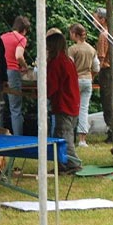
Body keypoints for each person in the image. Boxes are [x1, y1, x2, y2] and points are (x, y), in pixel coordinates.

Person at [46, 32, 83, 172]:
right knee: (61, 135)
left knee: (64, 136)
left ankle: (73, 163)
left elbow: (52, 85)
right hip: (72, 102)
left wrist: (42, 94)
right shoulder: (68, 61)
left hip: (64, 104)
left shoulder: (56, 63)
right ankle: (61, 165)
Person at [94, 7, 113, 143]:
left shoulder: (103, 35)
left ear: (102, 19)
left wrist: (93, 74)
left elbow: (100, 58)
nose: (94, 21)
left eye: (95, 18)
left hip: (107, 72)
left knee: (108, 103)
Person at [68, 23, 99, 147]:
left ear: (75, 34)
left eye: (71, 33)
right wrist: (91, 77)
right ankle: (82, 139)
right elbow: (96, 67)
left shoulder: (72, 49)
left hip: (75, 80)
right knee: (84, 109)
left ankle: (70, 136)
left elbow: (69, 67)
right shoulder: (92, 49)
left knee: (71, 108)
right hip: (87, 80)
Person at [1, 15, 31, 135]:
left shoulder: (2, 37)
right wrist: (25, 66)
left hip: (0, 72)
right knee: (15, 109)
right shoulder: (21, 38)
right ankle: (18, 138)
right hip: (12, 72)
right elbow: (19, 55)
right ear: (24, 29)